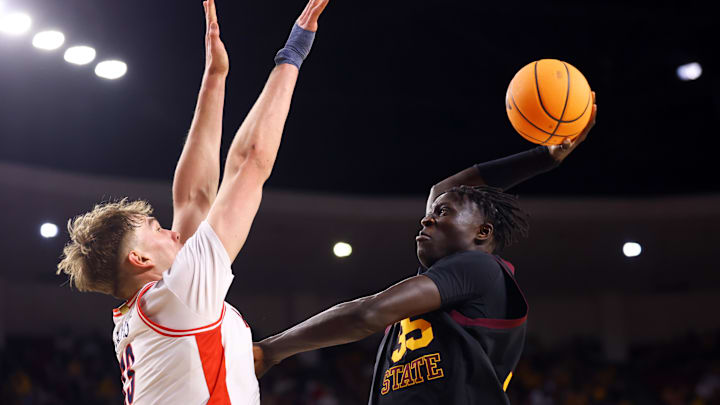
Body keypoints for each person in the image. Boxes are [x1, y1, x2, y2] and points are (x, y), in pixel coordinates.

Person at [55, 0, 330, 403]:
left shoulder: (154, 304)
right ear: (140, 259)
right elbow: (249, 163)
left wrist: (215, 77)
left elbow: (194, 196)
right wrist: (294, 51)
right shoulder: (177, 296)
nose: (172, 229)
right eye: (157, 230)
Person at [253, 95, 597, 404]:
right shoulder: (447, 283)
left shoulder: (479, 269)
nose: (425, 221)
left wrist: (271, 351)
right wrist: (543, 157)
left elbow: (366, 314)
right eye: (430, 214)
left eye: (441, 213)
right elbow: (443, 189)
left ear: (483, 232)